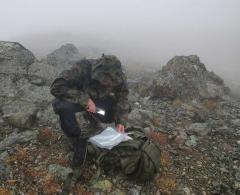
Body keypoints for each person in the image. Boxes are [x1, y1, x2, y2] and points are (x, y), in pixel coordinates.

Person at [50, 55, 130, 168]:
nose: (107, 84)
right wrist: (84, 99)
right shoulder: (83, 68)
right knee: (63, 106)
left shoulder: (118, 76)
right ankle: (77, 138)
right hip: (77, 101)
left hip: (98, 104)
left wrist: (121, 120)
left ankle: (96, 125)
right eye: (103, 79)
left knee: (124, 108)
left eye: (110, 81)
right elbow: (56, 87)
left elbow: (123, 98)